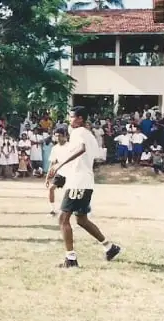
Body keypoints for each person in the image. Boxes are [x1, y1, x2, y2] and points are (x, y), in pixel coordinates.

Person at [46, 106, 121, 268]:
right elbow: (95, 157)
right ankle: (110, 247)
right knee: (81, 219)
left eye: (72, 116)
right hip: (84, 181)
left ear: (80, 118)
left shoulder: (78, 132)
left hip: (78, 182)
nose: (69, 119)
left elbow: (82, 149)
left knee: (63, 219)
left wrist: (60, 165)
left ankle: (71, 259)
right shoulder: (90, 135)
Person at [46, 128, 69, 216]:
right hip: (61, 173)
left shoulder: (70, 146)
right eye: (56, 136)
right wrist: (47, 177)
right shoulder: (55, 148)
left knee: (70, 193)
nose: (58, 138)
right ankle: (53, 210)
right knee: (51, 188)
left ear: (64, 136)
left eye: (60, 136)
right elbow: (52, 163)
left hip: (71, 173)